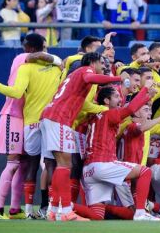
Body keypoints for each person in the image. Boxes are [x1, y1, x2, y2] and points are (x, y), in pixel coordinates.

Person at [0, 33, 59, 220]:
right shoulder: (23, 59)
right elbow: (45, 57)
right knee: (13, 163)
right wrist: (54, 58)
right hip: (11, 115)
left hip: (24, 118)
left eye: (25, 45)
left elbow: (48, 58)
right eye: (43, 47)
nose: (23, 49)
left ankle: (15, 208)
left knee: (23, 165)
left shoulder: (37, 64)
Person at [40, 53, 126, 221]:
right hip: (59, 119)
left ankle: (54, 210)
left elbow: (83, 104)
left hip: (50, 117)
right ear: (92, 62)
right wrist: (117, 78)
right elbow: (90, 78)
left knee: (61, 165)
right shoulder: (85, 70)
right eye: (102, 63)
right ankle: (66, 212)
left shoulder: (73, 77)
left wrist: (102, 109)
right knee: (65, 166)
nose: (104, 67)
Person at [76, 86, 160, 221]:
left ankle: (62, 206)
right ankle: (140, 213)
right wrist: (145, 92)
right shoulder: (108, 114)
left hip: (88, 170)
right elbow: (130, 110)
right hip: (103, 163)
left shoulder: (92, 117)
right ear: (106, 101)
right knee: (145, 171)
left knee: (97, 216)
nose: (120, 99)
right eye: (116, 96)